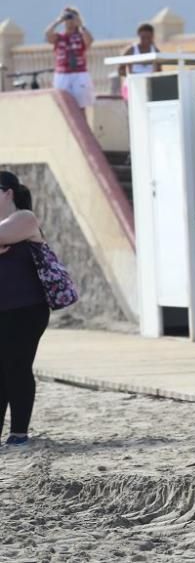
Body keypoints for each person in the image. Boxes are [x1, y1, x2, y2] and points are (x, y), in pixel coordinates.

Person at [0, 172, 51, 446]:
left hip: (26, 309)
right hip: (2, 309)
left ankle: (19, 432)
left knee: (17, 366)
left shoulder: (24, 218)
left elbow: (4, 233)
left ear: (7, 192)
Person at [44, 6, 94, 109]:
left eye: (71, 18)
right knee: (64, 106)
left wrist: (81, 25)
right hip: (62, 74)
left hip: (79, 73)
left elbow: (89, 40)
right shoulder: (59, 37)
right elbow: (47, 35)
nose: (69, 21)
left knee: (81, 106)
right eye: (67, 18)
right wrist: (58, 21)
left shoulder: (81, 36)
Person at [117, 23, 162, 99]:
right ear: (138, 36)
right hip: (132, 86)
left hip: (149, 87)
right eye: (143, 37)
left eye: (149, 37)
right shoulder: (131, 50)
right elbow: (120, 69)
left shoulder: (155, 51)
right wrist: (132, 78)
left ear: (152, 37)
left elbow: (159, 71)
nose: (146, 40)